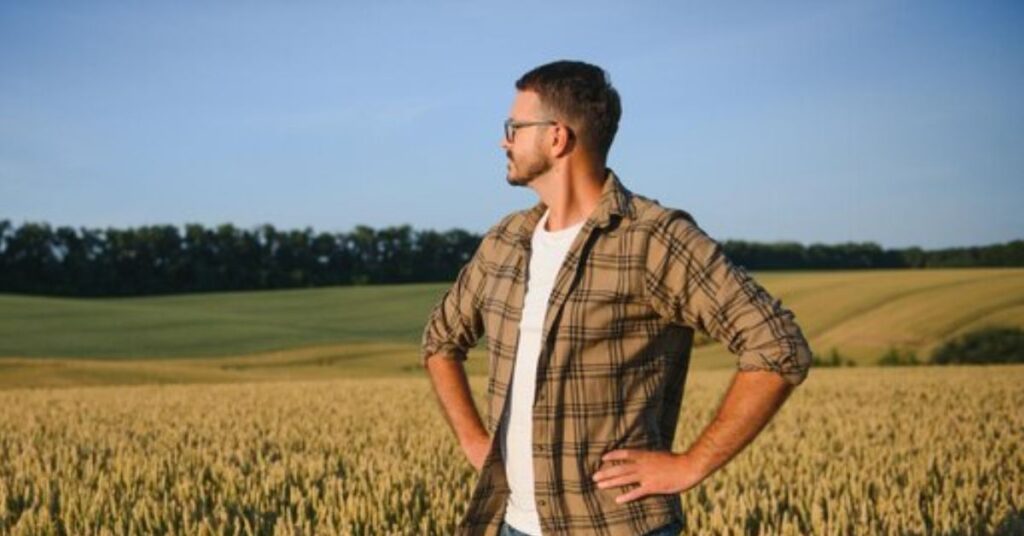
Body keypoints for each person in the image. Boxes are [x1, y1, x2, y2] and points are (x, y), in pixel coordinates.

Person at [422, 60, 812, 536]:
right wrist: (473, 440)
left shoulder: (652, 239)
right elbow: (440, 340)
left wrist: (690, 464)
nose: (504, 141)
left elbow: (778, 346)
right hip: (512, 525)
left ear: (557, 137)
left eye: (514, 127)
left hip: (615, 526)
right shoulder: (505, 241)